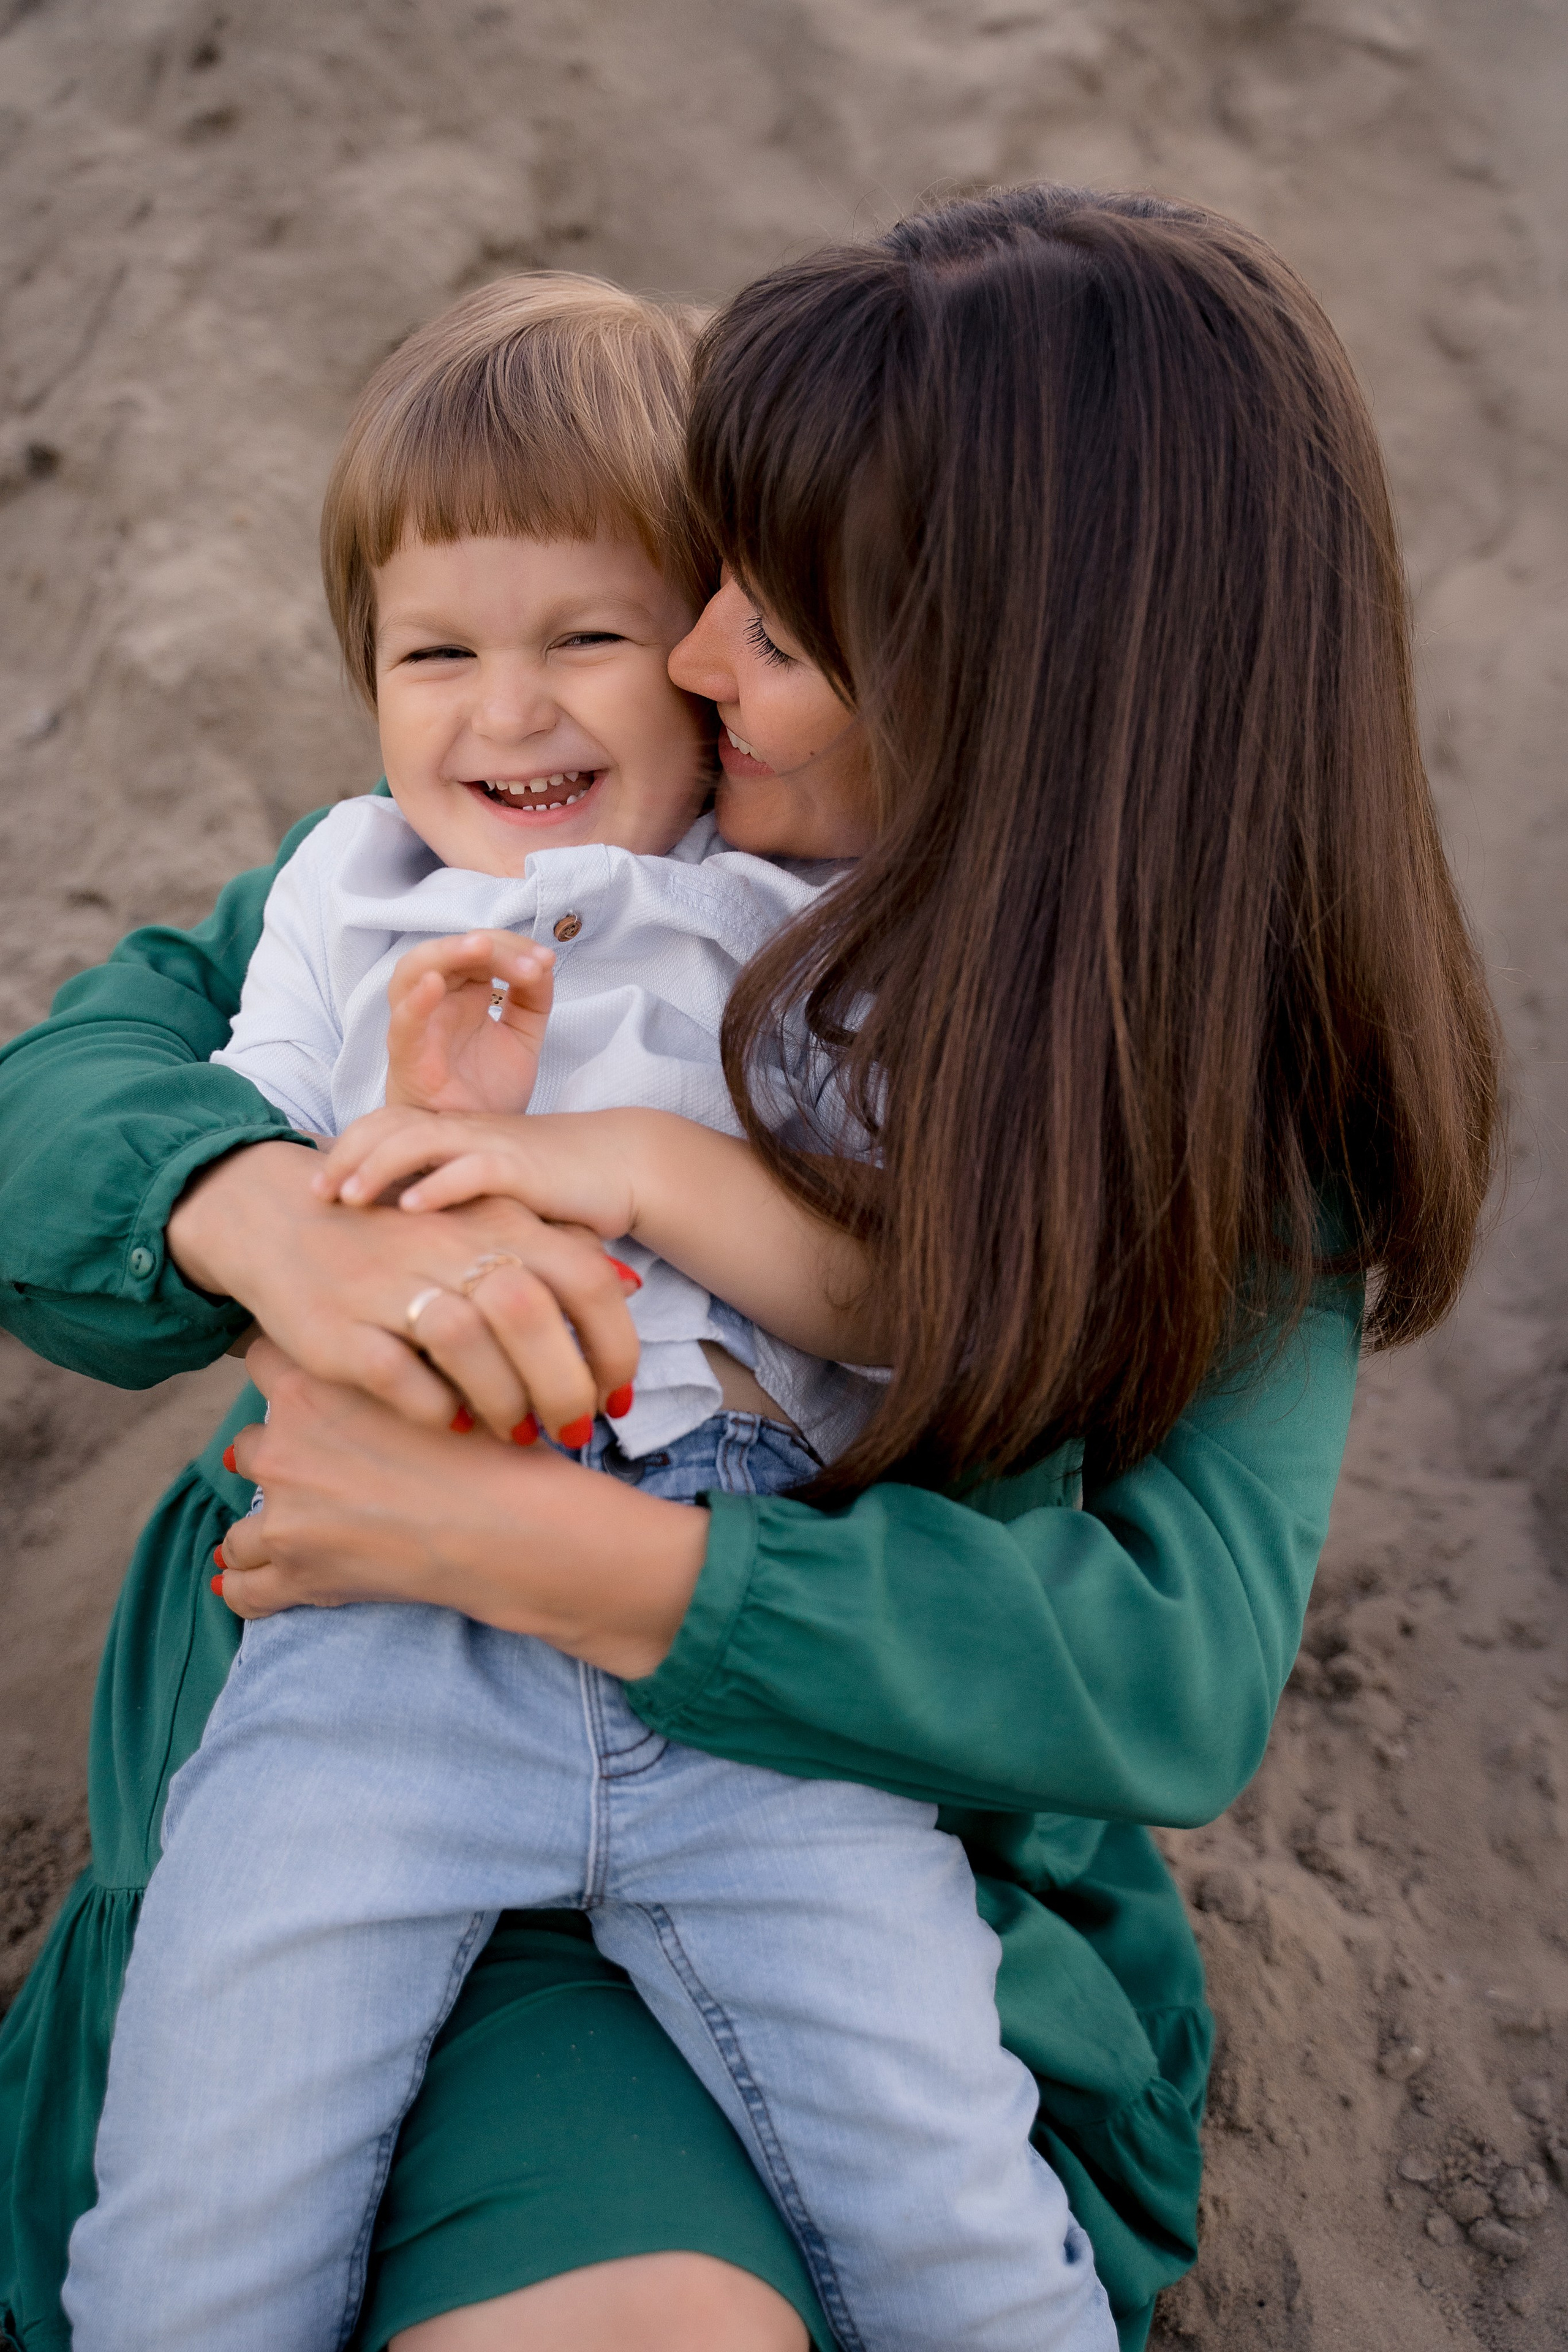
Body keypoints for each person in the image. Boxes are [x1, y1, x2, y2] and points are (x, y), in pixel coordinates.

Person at [0, 185, 1499, 2352]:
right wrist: (258, 1223)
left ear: (1011, 693)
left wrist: (560, 1544)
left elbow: (1163, 1665)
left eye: (770, 627)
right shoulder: (467, 877)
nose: (688, 656)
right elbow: (78, 1093)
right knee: (249, 2227)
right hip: (357, 1724)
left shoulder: (1185, 1091)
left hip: (822, 1796)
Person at [62, 270, 1113, 2352]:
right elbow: (234, 1166)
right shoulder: (346, 894)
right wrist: (372, 1166)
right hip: (376, 1638)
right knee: (203, 2191)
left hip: (744, 1619)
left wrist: (645, 1174)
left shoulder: (811, 927)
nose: (507, 712)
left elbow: (920, 1297)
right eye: (434, 651)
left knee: (953, 2217)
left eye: (589, 640)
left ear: (713, 662)